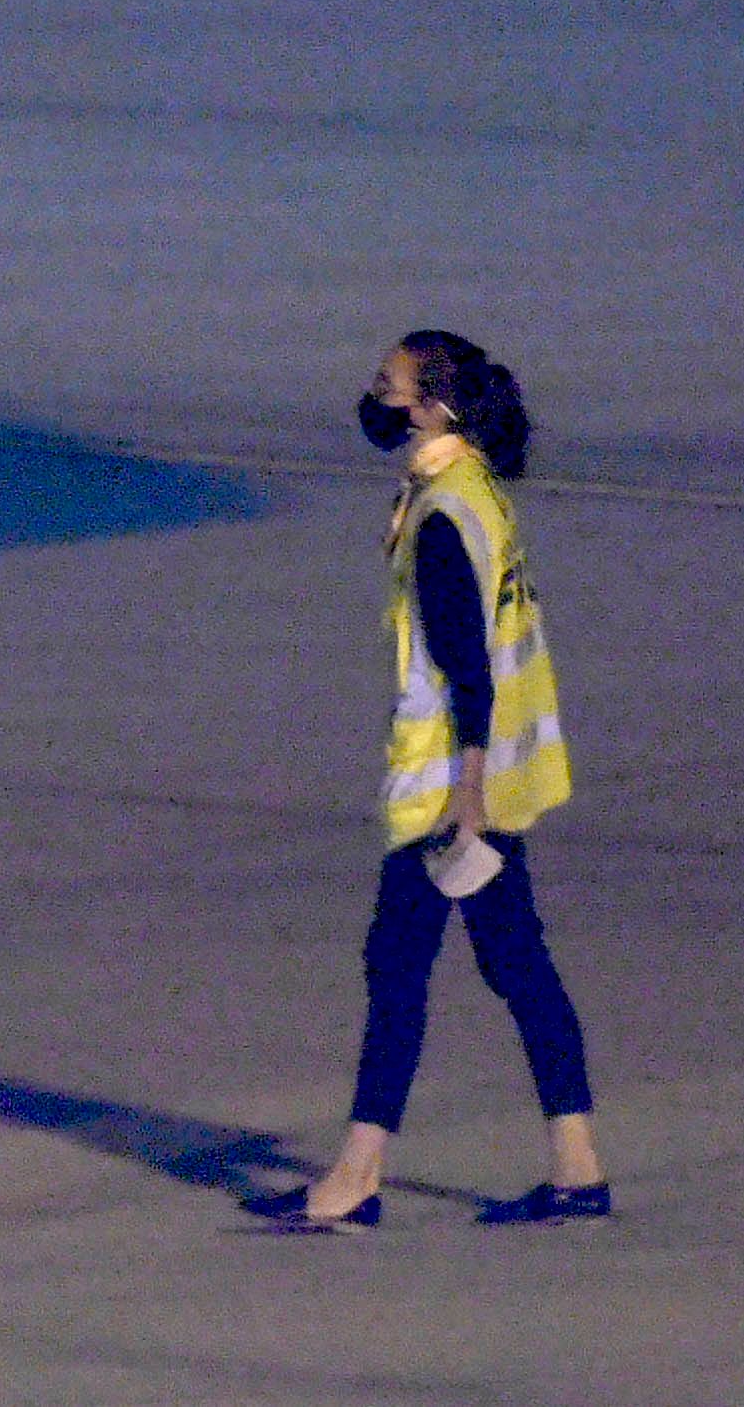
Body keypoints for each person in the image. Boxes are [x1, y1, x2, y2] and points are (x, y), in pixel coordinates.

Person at [246, 329, 608, 1231]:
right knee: (514, 964)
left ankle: (356, 1175)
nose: (372, 397)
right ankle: (576, 1163)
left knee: (398, 969)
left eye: (386, 384)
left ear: (430, 404)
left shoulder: (444, 514)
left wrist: (467, 796)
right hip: (497, 775)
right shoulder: (474, 486)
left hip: (448, 786)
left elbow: (467, 668)